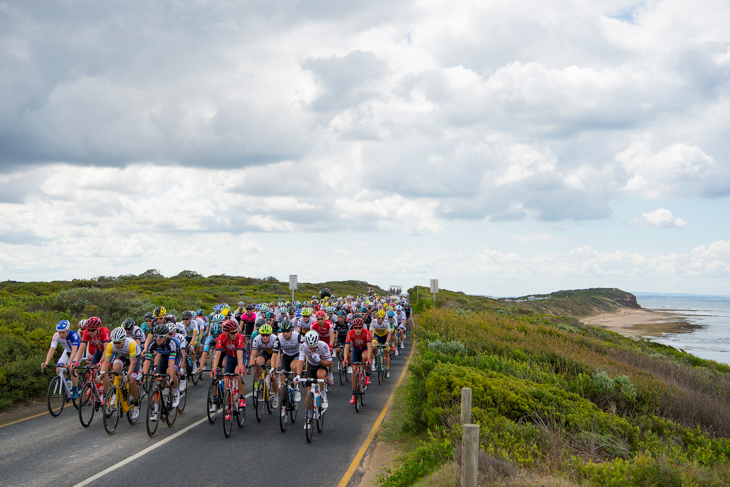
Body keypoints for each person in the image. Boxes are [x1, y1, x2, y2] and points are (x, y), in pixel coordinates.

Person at [142, 323, 181, 413]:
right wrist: (143, 376)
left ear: (166, 336)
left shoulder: (171, 343)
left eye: (161, 336)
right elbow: (147, 361)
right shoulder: (152, 343)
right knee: (158, 380)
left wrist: (171, 377)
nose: (158, 338)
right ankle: (156, 409)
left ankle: (175, 392)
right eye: (156, 336)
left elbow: (171, 362)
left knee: (170, 371)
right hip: (164, 357)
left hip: (175, 357)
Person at [294, 330, 332, 423]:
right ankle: (308, 416)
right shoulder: (303, 346)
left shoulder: (323, 346)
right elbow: (301, 361)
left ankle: (323, 395)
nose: (311, 349)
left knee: (320, 375)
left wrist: (319, 360)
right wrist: (298, 375)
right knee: (308, 393)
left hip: (322, 364)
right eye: (310, 347)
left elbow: (330, 363)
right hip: (311, 366)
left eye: (314, 347)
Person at [211, 319, 247, 412]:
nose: (235, 334)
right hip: (230, 358)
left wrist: (240, 369)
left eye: (236, 332)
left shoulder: (239, 338)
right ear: (226, 333)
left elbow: (239, 355)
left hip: (240, 356)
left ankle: (242, 397)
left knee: (237, 373)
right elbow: (217, 354)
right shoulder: (221, 338)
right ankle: (229, 407)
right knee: (226, 383)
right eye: (232, 333)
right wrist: (214, 369)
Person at [100, 327, 141, 408]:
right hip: (122, 355)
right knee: (115, 368)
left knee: (132, 381)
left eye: (119, 343)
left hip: (134, 357)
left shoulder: (131, 343)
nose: (116, 345)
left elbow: (132, 363)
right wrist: (100, 374)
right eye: (115, 343)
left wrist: (128, 376)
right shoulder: (111, 345)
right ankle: (115, 391)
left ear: (124, 340)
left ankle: (136, 402)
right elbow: (106, 361)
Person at [42, 320, 80, 399]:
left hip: (76, 352)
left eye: (63, 332)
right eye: (59, 332)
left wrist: (69, 362)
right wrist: (46, 362)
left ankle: (75, 390)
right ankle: (67, 382)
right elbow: (52, 349)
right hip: (67, 351)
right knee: (58, 369)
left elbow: (74, 351)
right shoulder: (56, 336)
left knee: (72, 368)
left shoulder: (74, 335)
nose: (61, 334)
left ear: (68, 330)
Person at [342, 318, 373, 404]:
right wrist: (345, 359)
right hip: (356, 349)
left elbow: (369, 346)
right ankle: (353, 393)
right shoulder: (350, 333)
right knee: (354, 370)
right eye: (356, 328)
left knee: (364, 356)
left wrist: (369, 359)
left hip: (364, 348)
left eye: (360, 328)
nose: (358, 330)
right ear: (353, 327)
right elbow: (347, 347)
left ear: (362, 327)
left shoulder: (366, 333)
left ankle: (367, 374)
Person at [369, 311, 392, 378]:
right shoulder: (373, 322)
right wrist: (369, 341)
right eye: (379, 318)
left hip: (384, 337)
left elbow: (389, 334)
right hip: (377, 336)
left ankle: (387, 369)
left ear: (384, 318)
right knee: (373, 347)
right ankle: (374, 357)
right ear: (377, 317)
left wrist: (387, 342)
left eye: (382, 318)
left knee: (387, 353)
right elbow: (370, 332)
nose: (380, 320)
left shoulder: (386, 323)